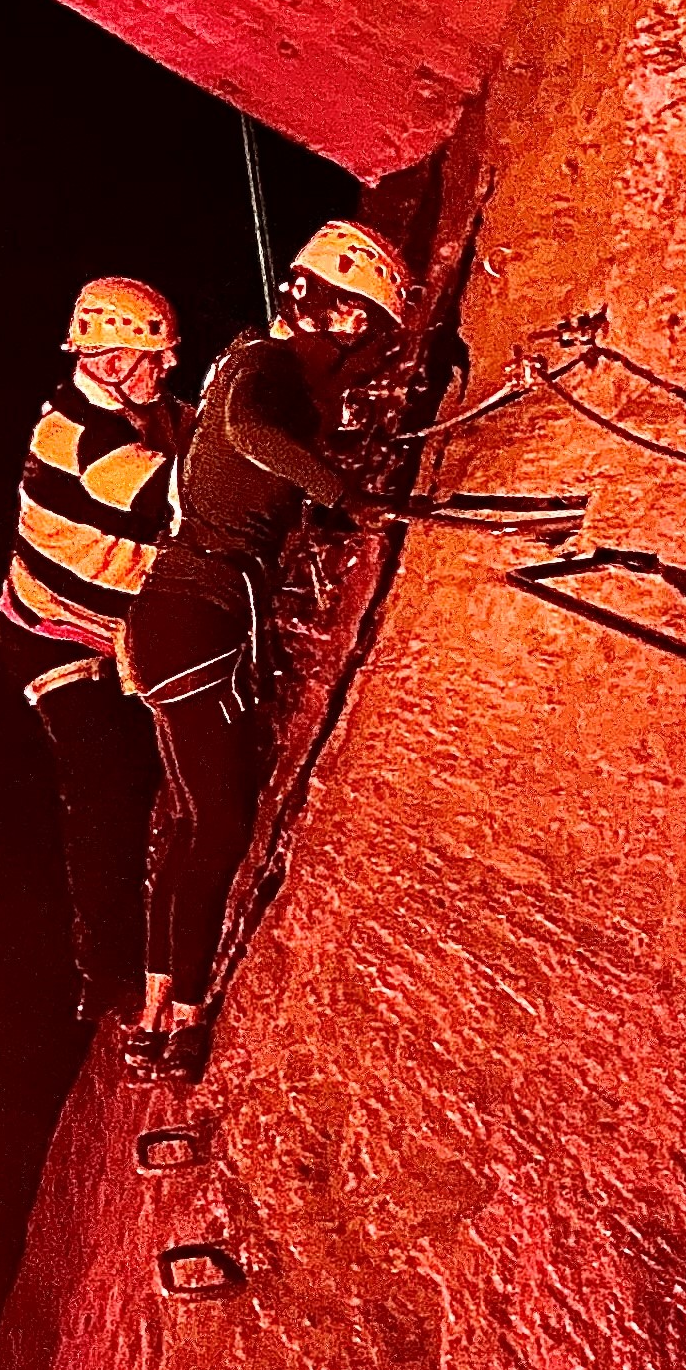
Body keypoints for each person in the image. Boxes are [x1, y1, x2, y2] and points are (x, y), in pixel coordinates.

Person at [122, 218, 412, 1081]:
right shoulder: (267, 370)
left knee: (188, 820)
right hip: (196, 621)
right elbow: (252, 438)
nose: (362, 353)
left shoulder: (251, 361)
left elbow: (250, 465)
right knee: (220, 822)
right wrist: (343, 491)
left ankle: (152, 1011)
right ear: (341, 314)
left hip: (177, 620)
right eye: (364, 329)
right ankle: (188, 1015)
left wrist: (329, 483)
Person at [0, 276, 191, 1026]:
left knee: (153, 762)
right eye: (154, 359)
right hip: (54, 635)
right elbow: (180, 497)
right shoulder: (80, 439)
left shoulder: (145, 409)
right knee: (105, 790)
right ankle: (103, 963)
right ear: (110, 363)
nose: (166, 368)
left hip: (113, 621)